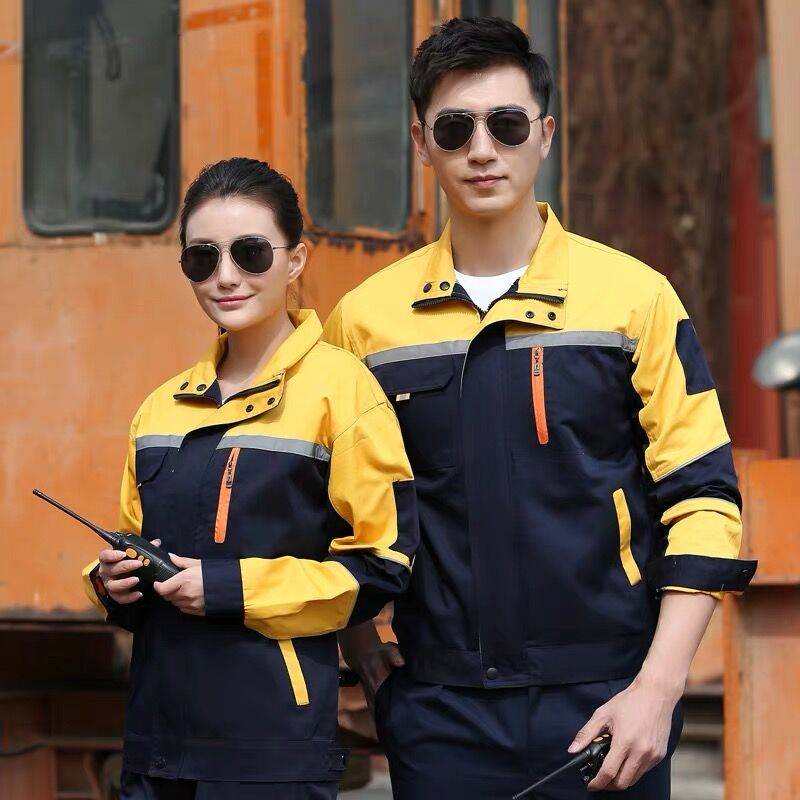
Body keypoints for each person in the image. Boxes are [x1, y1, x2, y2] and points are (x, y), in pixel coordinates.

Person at [323, 17, 756, 799]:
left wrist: (658, 690)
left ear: (545, 135)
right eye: (454, 129)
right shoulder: (365, 323)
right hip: (440, 716)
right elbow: (330, 506)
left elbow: (704, 499)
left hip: (609, 709)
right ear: (421, 143)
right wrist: (367, 656)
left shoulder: (634, 299)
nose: (482, 149)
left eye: (507, 124)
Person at [81, 157, 418, 800]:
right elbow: (134, 545)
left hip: (272, 749)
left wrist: (231, 587)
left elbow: (383, 566)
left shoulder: (342, 393)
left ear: (296, 261)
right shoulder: (160, 409)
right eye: (202, 258)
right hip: (156, 746)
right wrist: (111, 582)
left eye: (251, 253)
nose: (226, 276)